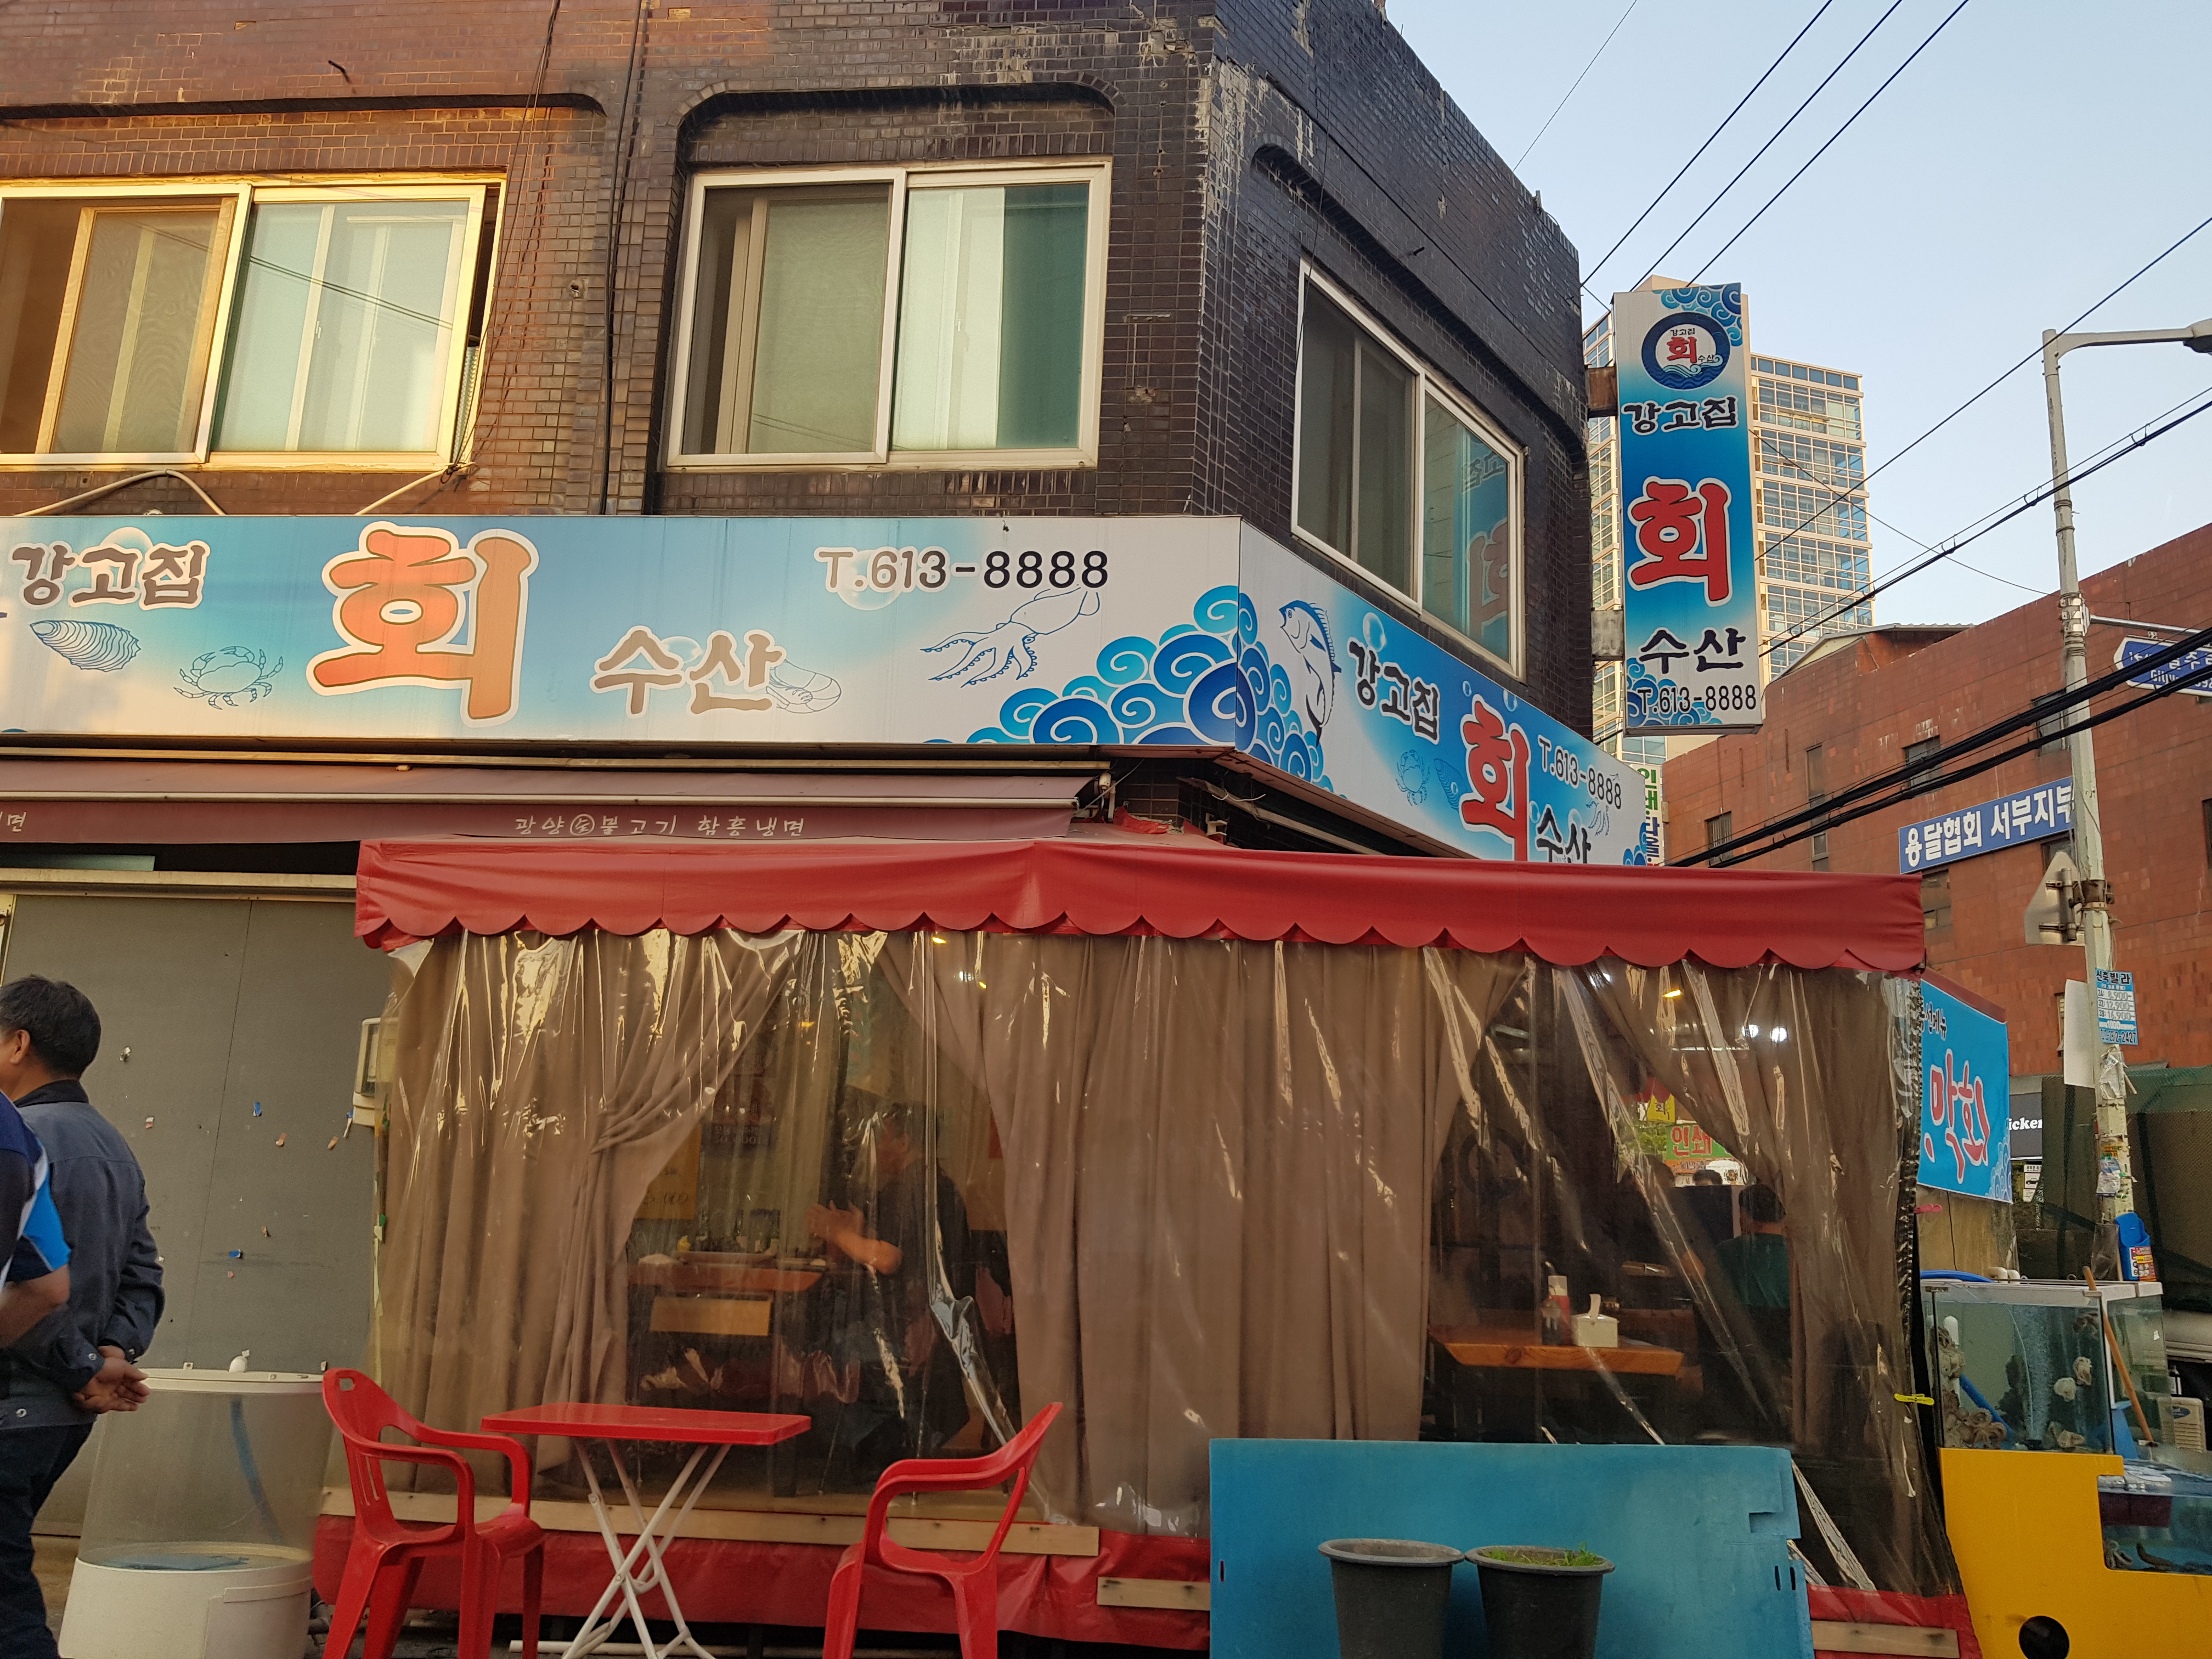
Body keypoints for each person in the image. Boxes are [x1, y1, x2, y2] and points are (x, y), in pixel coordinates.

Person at [0, 978, 159, 1658]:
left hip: (17, 1401)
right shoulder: (113, 1145)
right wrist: (112, 1352)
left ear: (17, 1043)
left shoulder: (19, 1141)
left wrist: (85, 1365)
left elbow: (28, 1289)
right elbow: (143, 1274)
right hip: (63, 1416)